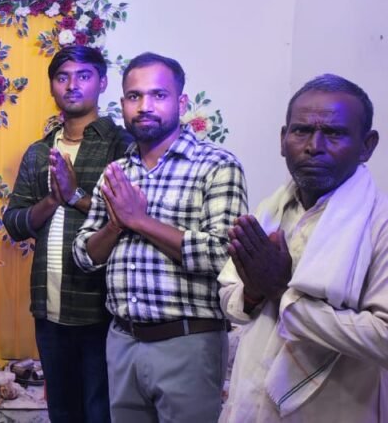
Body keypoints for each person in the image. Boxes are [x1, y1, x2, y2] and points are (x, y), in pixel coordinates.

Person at [72, 52, 248, 422]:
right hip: (122, 341)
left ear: (181, 103)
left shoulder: (216, 165)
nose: (144, 106)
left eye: (158, 95)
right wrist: (115, 225)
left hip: (188, 342)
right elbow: (84, 255)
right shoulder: (117, 171)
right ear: (122, 103)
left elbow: (224, 255)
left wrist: (140, 220)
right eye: (134, 96)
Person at [219, 74, 386, 422]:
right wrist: (252, 292)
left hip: (335, 407)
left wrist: (281, 291)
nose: (314, 145)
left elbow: (383, 337)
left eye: (334, 133)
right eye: (301, 131)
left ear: (367, 145)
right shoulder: (270, 209)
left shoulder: (378, 223)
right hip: (253, 401)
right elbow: (229, 296)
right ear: (283, 140)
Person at [4, 45, 132, 423]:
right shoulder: (39, 152)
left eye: (83, 76)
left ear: (102, 83)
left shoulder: (121, 145)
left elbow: (131, 218)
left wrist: (75, 196)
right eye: (62, 77)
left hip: (102, 308)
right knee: (62, 412)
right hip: (49, 306)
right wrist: (52, 200)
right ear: (52, 87)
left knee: (101, 411)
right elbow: (14, 222)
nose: (72, 85)